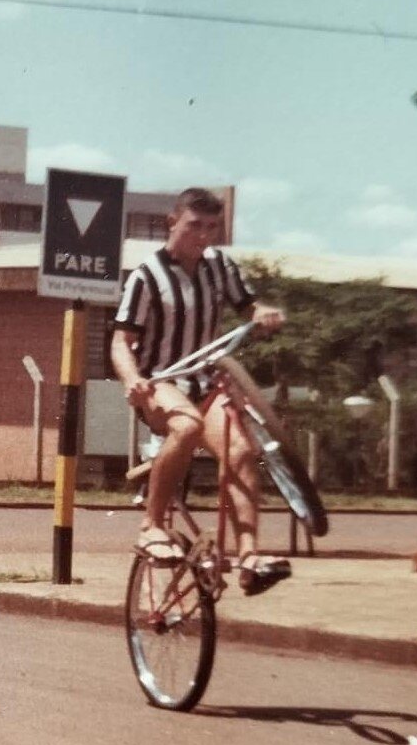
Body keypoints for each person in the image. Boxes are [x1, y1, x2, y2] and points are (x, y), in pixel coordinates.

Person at [108, 187, 291, 596]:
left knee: (243, 451)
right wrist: (131, 379)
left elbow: (248, 306)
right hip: (160, 381)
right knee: (186, 427)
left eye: (212, 227)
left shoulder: (219, 267)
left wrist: (261, 313)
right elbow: (121, 341)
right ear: (172, 223)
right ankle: (151, 526)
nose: (203, 235)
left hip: (206, 381)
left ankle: (249, 558)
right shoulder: (147, 276)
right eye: (195, 225)